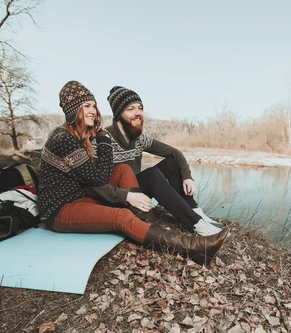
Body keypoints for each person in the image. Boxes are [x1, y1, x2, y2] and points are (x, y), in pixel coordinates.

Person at [37, 81, 230, 265]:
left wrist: (101, 137)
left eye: (94, 106)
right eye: (86, 106)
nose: (93, 111)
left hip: (81, 197)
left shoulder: (80, 136)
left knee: (123, 169)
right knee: (120, 217)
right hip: (59, 210)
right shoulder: (63, 138)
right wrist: (104, 140)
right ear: (73, 109)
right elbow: (96, 179)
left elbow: (99, 176)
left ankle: (143, 220)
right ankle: (195, 249)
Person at [87, 86, 224, 237]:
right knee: (152, 174)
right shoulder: (103, 140)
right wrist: (124, 196)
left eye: (140, 108)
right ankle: (197, 225)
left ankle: (196, 212)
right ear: (118, 114)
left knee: (171, 162)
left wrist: (187, 176)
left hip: (136, 190)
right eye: (131, 109)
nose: (138, 113)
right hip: (117, 199)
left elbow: (174, 153)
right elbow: (94, 183)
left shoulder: (139, 139)